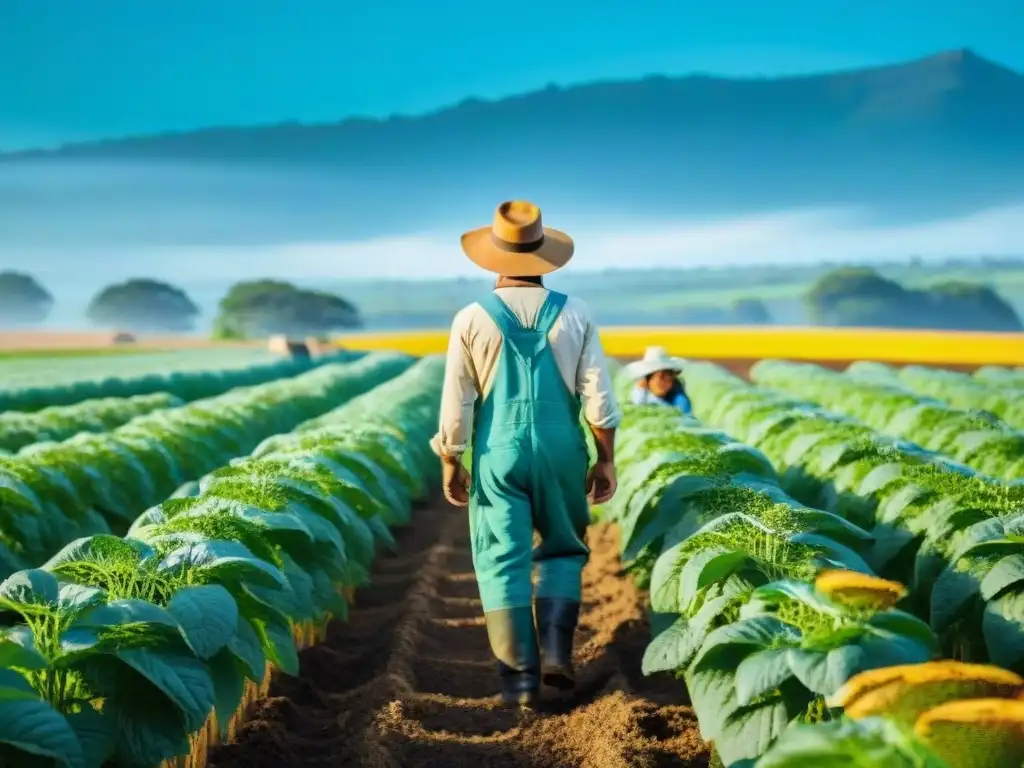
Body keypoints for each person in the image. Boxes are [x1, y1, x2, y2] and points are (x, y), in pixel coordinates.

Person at [431, 200, 622, 708]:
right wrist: (605, 458)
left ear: (493, 259)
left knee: (500, 559)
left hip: (498, 451)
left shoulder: (471, 318)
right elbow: (598, 394)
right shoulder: (575, 312)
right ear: (544, 258)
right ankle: (557, 654)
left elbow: (458, 399)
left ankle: (518, 682)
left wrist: (451, 458)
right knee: (562, 547)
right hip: (562, 449)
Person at [625, 346, 692, 413]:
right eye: (659, 376)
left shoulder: (679, 398)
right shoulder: (641, 393)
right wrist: (640, 392)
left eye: (668, 376)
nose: (662, 382)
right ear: (647, 380)